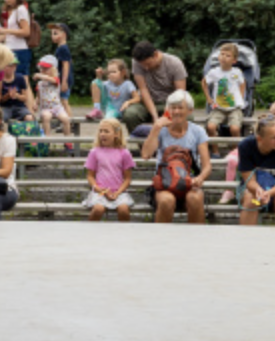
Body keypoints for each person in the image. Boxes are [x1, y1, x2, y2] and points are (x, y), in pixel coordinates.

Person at [139, 90, 211, 225]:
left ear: (189, 111)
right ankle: (161, 242)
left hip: (189, 182)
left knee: (195, 198)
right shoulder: (160, 129)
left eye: (180, 107)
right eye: (173, 107)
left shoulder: (198, 131)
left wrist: (200, 178)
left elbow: (207, 166)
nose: (176, 111)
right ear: (168, 110)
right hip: (165, 183)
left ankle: (197, 240)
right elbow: (145, 155)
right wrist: (156, 128)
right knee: (167, 201)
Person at [236, 116, 275, 227]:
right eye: (273, 138)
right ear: (260, 139)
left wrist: (269, 193)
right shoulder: (245, 146)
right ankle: (245, 240)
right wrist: (258, 190)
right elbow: (249, 181)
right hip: (254, 185)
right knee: (252, 200)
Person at [124, 42, 189, 131]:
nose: (146, 68)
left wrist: (167, 115)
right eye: (143, 65)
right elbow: (143, 89)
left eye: (148, 64)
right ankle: (144, 144)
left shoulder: (175, 63)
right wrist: (155, 116)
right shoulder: (137, 62)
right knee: (130, 115)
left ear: (155, 55)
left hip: (170, 103)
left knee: (188, 117)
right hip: (147, 103)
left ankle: (174, 143)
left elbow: (180, 95)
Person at [82, 118, 135, 222]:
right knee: (98, 209)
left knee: (123, 210)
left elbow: (127, 178)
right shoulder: (94, 152)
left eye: (106, 131)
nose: (102, 134)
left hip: (119, 192)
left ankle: (124, 234)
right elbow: (90, 176)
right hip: (100, 192)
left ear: (116, 134)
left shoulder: (124, 153)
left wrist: (118, 192)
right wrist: (99, 189)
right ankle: (90, 233)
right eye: (101, 131)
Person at [34, 57, 72, 136]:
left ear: (53, 70)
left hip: (57, 107)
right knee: (46, 117)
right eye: (42, 68)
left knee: (66, 119)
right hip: (46, 108)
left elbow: (51, 80)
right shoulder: (40, 84)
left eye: (46, 69)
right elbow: (38, 95)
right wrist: (35, 103)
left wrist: (40, 76)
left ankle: (68, 140)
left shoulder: (55, 80)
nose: (43, 71)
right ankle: (47, 139)